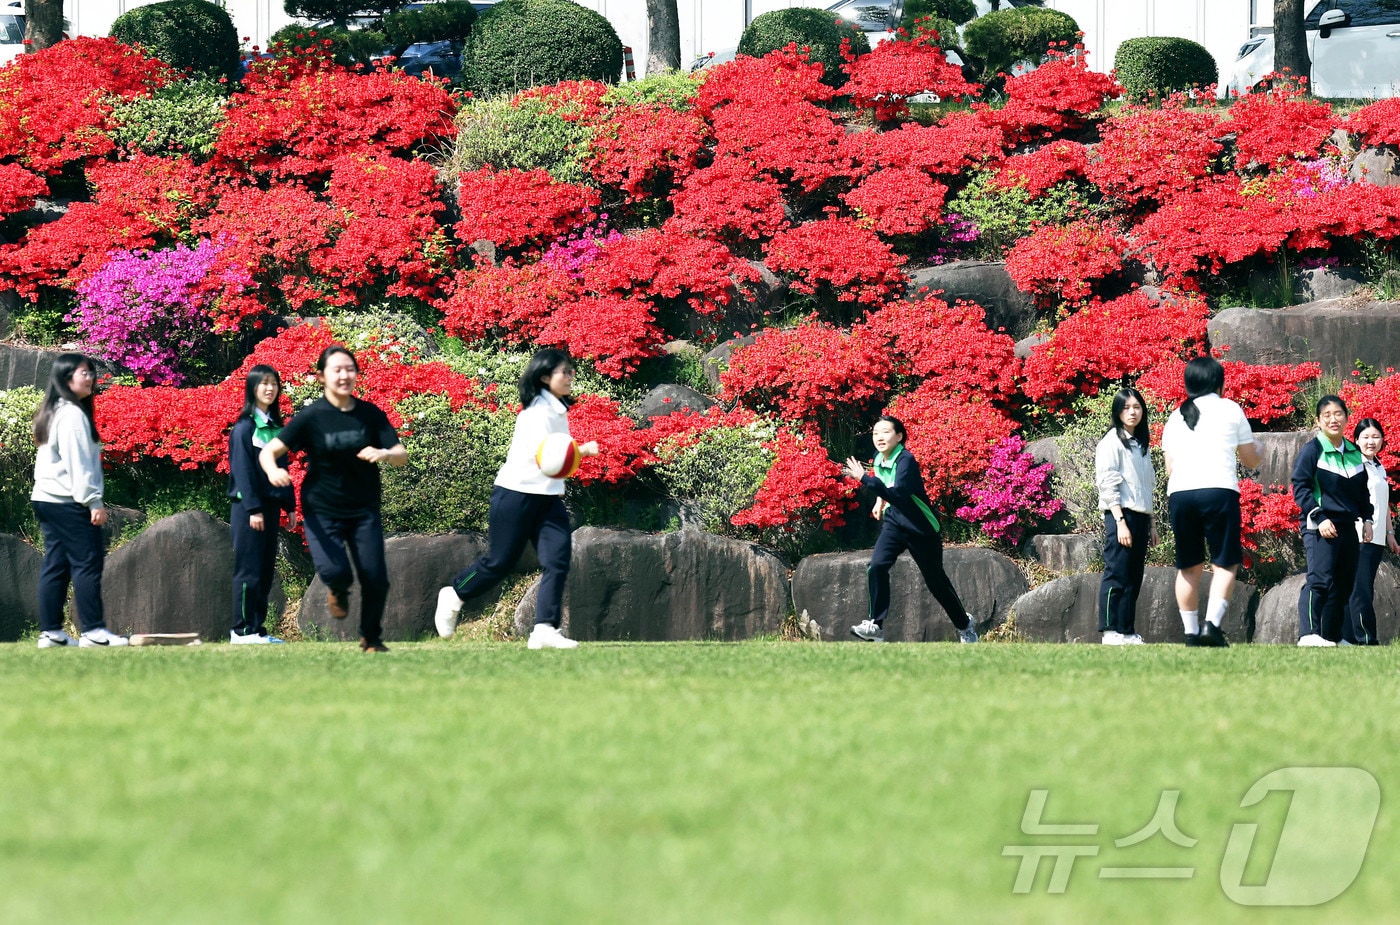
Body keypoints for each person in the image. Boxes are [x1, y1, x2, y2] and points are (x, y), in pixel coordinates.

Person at [433, 348, 599, 650]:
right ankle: (455, 593)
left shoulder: (558, 409)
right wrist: (583, 450)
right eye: (565, 371)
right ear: (545, 376)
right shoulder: (537, 412)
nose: (571, 376)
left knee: (557, 560)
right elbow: (548, 458)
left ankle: (544, 629)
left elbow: (555, 460)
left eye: (572, 371)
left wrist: (576, 452)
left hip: (547, 497)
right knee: (499, 562)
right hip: (516, 494)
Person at [259, 346, 407, 653]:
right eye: (337, 370)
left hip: (364, 507)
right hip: (321, 508)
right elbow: (268, 451)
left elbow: (401, 454)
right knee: (336, 571)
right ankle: (337, 590)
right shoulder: (312, 416)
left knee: (375, 576)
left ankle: (371, 637)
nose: (344, 375)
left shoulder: (370, 414)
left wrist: (385, 453)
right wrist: (273, 471)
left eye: (349, 369)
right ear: (321, 376)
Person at [841, 415, 978, 644]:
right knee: (876, 566)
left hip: (920, 526)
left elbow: (899, 494)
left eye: (885, 432)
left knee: (936, 583)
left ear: (899, 436)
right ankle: (876, 625)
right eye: (875, 433)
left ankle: (964, 625)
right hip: (894, 522)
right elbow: (885, 486)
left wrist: (864, 479)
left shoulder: (906, 460)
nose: (879, 437)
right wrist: (879, 502)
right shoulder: (878, 459)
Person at [1162, 356, 1262, 648]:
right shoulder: (1230, 409)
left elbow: (1169, 467)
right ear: (1218, 381)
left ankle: (1191, 633)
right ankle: (1212, 625)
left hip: (1180, 493)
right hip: (1218, 490)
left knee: (1188, 567)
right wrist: (1260, 449)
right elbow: (1250, 458)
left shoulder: (1176, 416)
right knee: (1225, 562)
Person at [31, 353, 127, 648]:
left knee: (57, 565)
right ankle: (94, 632)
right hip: (67, 500)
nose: (90, 377)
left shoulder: (55, 409)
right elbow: (79, 463)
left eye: (90, 372)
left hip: (46, 499)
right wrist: (93, 501)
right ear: (66, 378)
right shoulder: (72, 413)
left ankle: (52, 633)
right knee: (88, 562)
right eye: (83, 373)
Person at [1290, 397, 1372, 647]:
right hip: (1319, 525)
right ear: (1318, 420)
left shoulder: (1354, 453)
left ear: (1347, 418)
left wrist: (1367, 519)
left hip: (1347, 526)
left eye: (1338, 414)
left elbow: (1362, 492)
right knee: (1319, 580)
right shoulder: (1313, 450)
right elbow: (1300, 487)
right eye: (1326, 415)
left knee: (1344, 583)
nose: (1333, 419)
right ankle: (1308, 634)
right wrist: (1319, 516)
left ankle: (1333, 636)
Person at [227, 364, 297, 644]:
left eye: (274, 383)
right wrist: (253, 509)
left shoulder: (276, 429)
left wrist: (290, 505)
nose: (269, 388)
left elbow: (283, 469)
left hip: (269, 508)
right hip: (248, 509)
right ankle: (241, 631)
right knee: (249, 570)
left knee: (266, 570)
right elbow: (242, 472)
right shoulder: (244, 428)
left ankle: (256, 629)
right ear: (252, 389)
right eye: (263, 383)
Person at [1094, 387, 1157, 645]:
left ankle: (1127, 631)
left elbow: (1147, 486)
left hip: (1141, 517)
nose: (1132, 412)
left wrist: (1151, 524)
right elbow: (1107, 483)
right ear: (1117, 412)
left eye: (1137, 407)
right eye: (1126, 408)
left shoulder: (1141, 445)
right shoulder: (1111, 442)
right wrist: (1120, 521)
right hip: (1120, 515)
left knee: (1134, 575)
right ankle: (1110, 631)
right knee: (1116, 573)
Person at [1346, 418, 1399, 645]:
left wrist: (1390, 535)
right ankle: (1364, 639)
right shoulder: (1353, 465)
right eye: (1366, 437)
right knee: (1360, 589)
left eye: (1375, 436)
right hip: (1359, 535)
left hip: (1376, 538)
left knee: (1362, 587)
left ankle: (1349, 637)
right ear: (1356, 440)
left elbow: (1383, 503)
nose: (1371, 441)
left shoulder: (1378, 466)